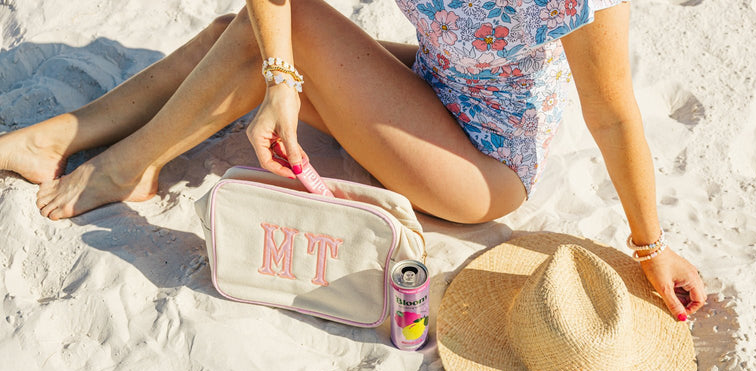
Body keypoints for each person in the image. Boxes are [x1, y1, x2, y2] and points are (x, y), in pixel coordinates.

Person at [0, 0, 706, 318]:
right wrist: (280, 80)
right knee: (248, 31)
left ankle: (130, 165)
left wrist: (651, 248)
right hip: (436, 85)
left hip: (486, 161)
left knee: (290, 30)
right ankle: (61, 133)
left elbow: (612, 114)